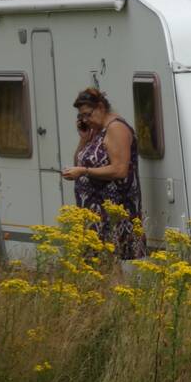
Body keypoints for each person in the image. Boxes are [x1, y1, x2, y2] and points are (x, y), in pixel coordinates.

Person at [61, 88, 146, 260]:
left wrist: (84, 171)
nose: (85, 120)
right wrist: (84, 139)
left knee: (112, 262)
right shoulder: (95, 130)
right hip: (93, 213)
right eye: (81, 117)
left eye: (88, 114)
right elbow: (79, 161)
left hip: (113, 212)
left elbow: (120, 170)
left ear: (100, 107)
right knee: (94, 264)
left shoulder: (116, 128)